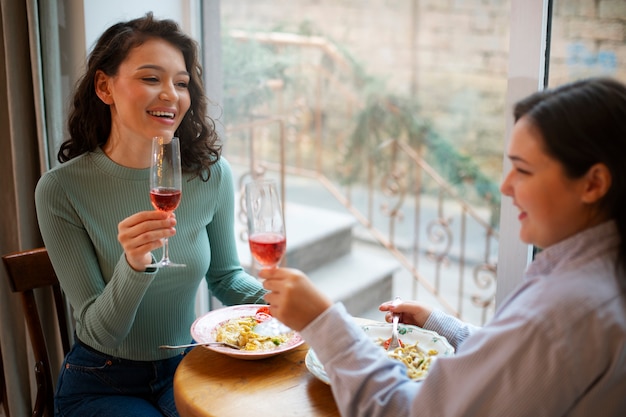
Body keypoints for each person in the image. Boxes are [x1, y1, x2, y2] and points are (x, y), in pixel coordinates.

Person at [260, 77, 626, 416]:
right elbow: (520, 368)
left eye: (523, 170)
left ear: (593, 183)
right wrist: (444, 328)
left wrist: (323, 323)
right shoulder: (603, 277)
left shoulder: (560, 313)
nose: (505, 187)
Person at [35, 13, 266, 416]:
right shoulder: (61, 190)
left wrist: (285, 303)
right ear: (105, 87)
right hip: (103, 378)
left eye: (181, 83)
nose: (171, 95)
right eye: (150, 78)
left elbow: (225, 277)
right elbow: (96, 331)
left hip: (190, 364)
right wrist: (134, 265)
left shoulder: (210, 174)